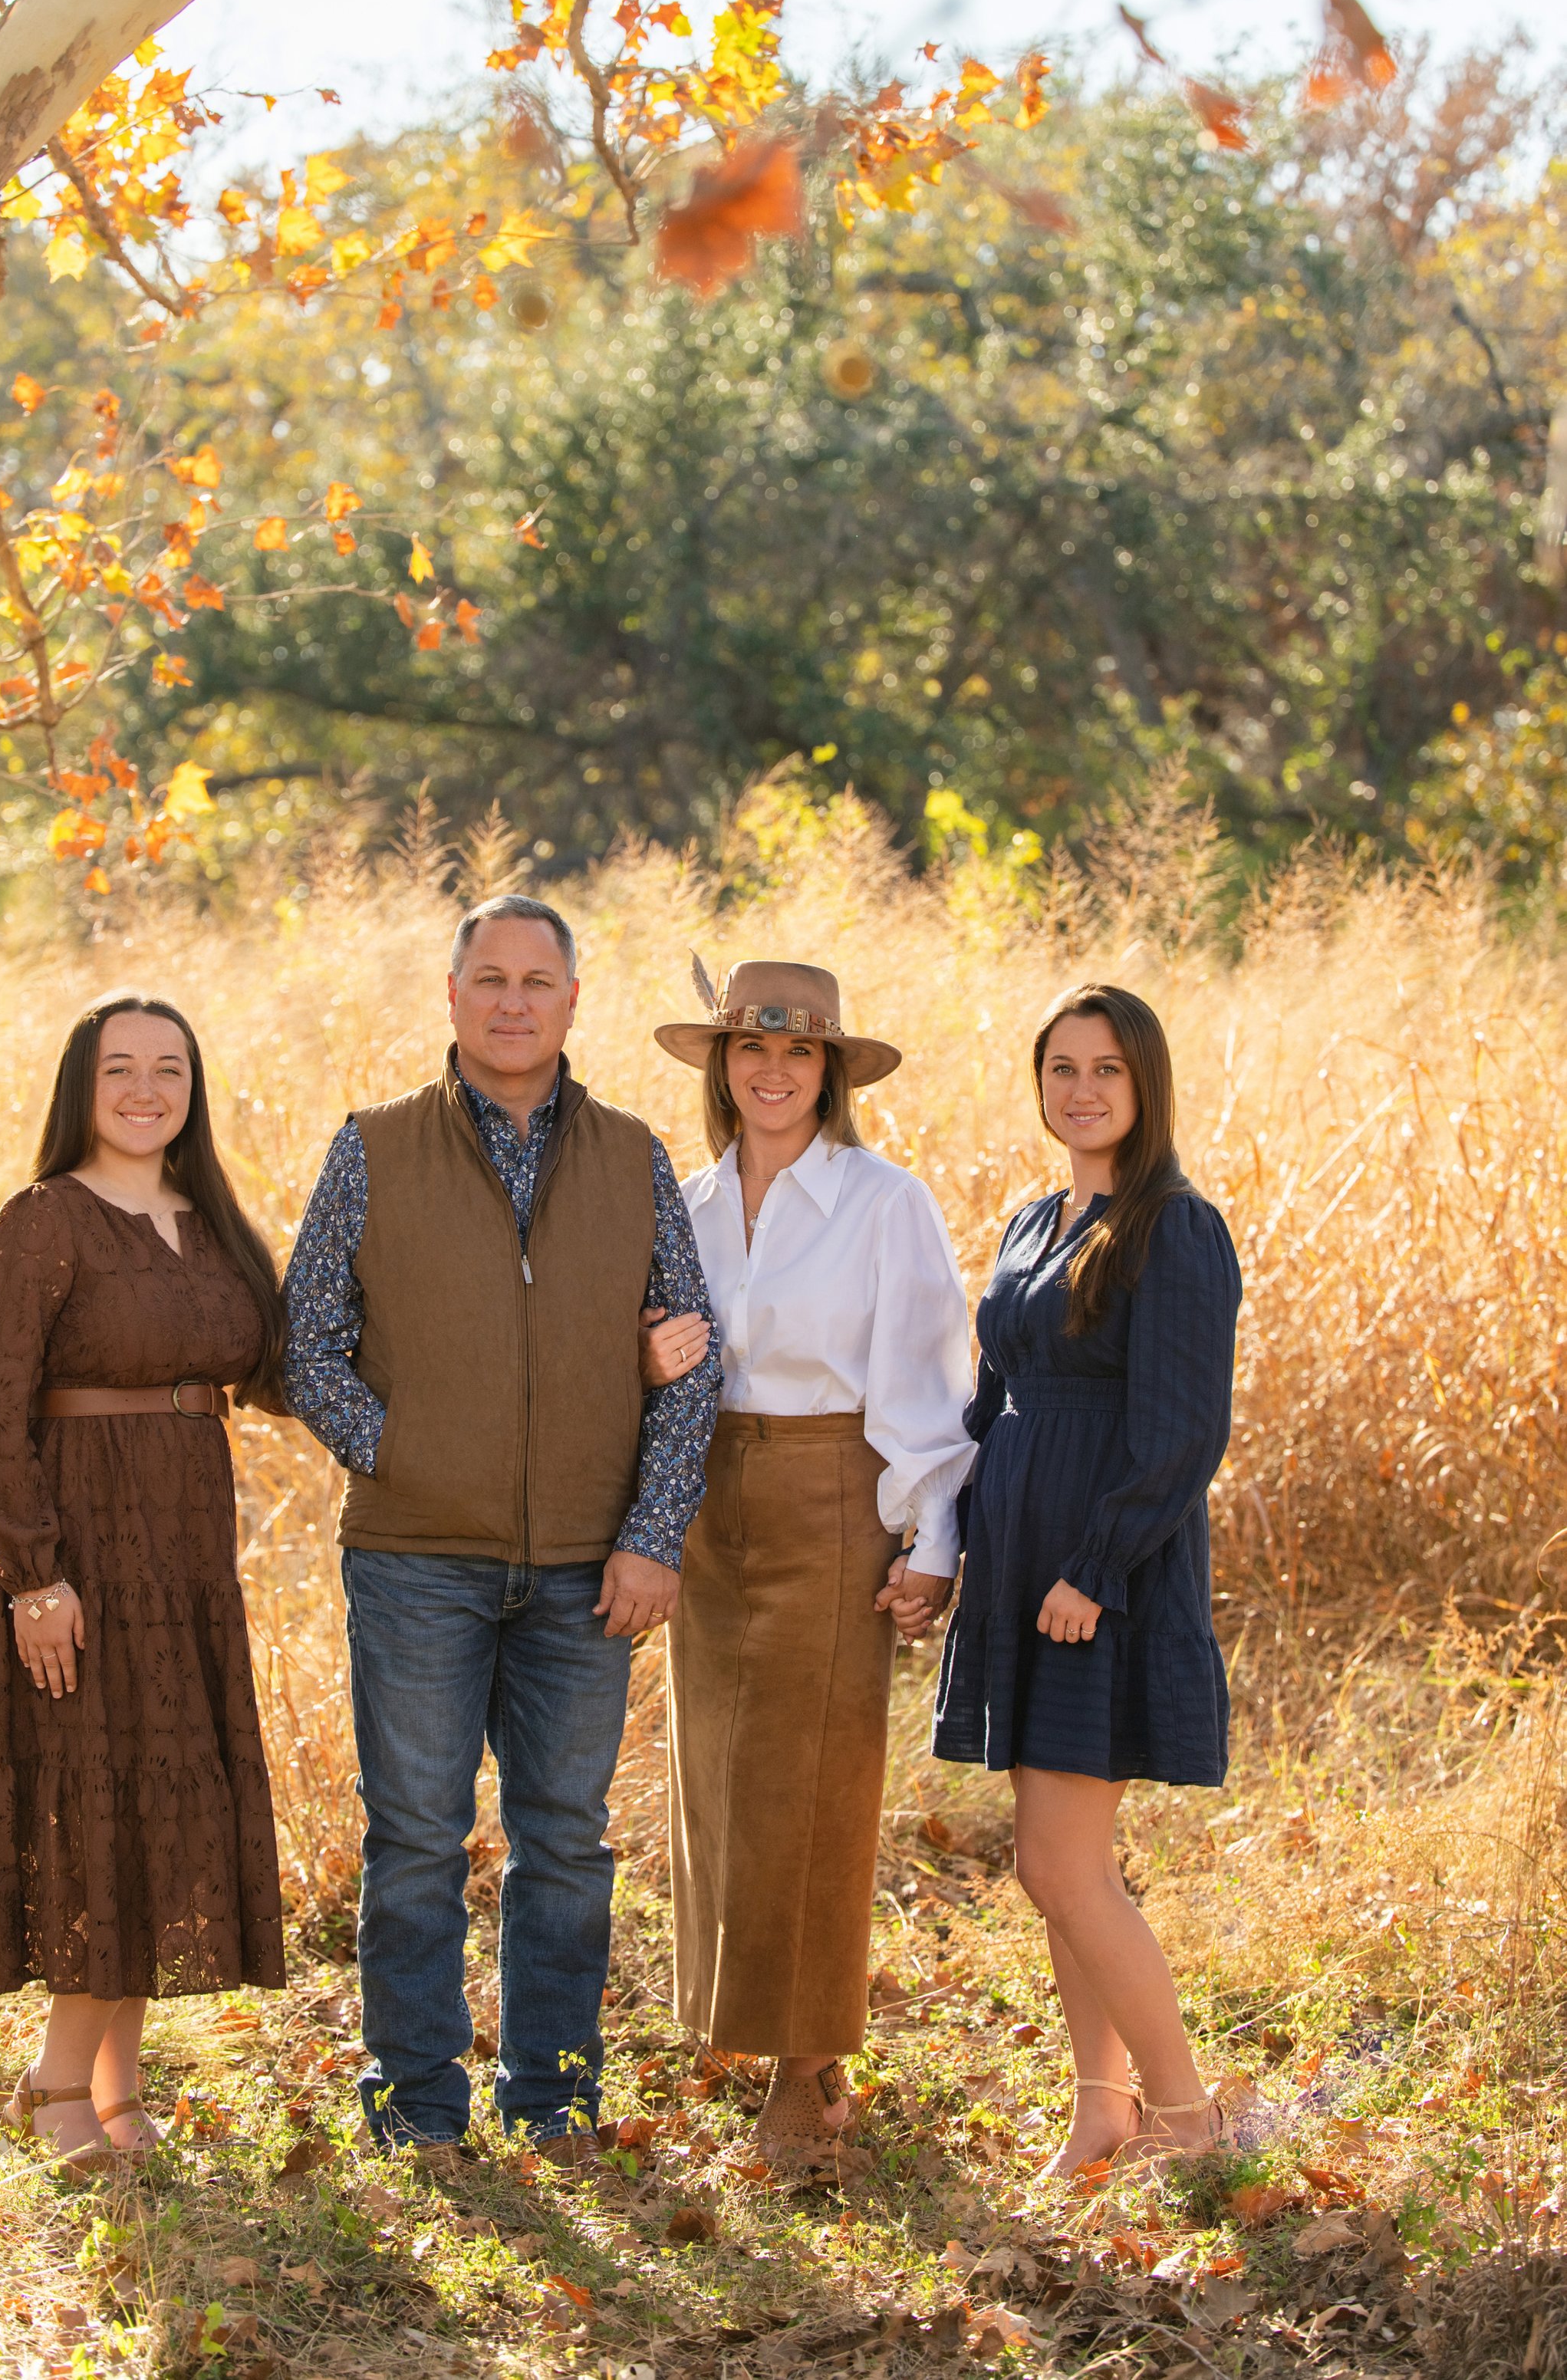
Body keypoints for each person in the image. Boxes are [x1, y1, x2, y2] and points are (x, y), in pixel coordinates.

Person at [281, 894, 720, 2170]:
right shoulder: (373, 1146)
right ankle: (416, 2096)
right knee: (415, 1834)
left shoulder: (635, 1157)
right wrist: (402, 1455)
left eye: (539, 979)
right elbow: (305, 1340)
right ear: (453, 995)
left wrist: (652, 1533)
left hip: (592, 1566)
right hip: (417, 1558)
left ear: (575, 1002)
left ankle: (555, 2096)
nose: (514, 1000)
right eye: (490, 977)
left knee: (565, 1843)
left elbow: (690, 1357)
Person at [642, 959, 973, 2173]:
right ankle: (734, 2025)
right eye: (749, 1050)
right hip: (708, 1503)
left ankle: (809, 2066)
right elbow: (656, 1356)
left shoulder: (887, 1202)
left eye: (797, 1054)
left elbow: (928, 1381)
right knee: (718, 1778)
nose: (772, 1071)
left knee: (817, 1784)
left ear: (831, 1072)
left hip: (837, 1495)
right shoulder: (683, 1199)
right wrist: (647, 1362)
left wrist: (930, 1539)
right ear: (721, 1069)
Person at [0, 990, 288, 2172]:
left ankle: (115, 2084)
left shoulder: (212, 1222)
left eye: (170, 1069)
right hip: (83, 1555)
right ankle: (52, 2078)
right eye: (121, 1069)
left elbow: (288, 1366)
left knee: (164, 1796)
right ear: (81, 1088)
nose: (147, 1089)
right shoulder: (44, 1219)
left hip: (190, 1558)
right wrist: (31, 1577)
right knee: (100, 1801)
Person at [933, 982, 1240, 2176]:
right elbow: (991, 1402)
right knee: (1064, 1870)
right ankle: (1101, 2115)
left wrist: (1095, 1569)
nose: (1082, 1088)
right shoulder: (1029, 1222)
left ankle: (1186, 2114)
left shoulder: (1174, 1227)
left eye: (1107, 1068)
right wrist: (945, 1545)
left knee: (1058, 1863)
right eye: (1062, 1066)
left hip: (1095, 1579)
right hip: (1021, 1569)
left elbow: (1181, 1432)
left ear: (1145, 1082)